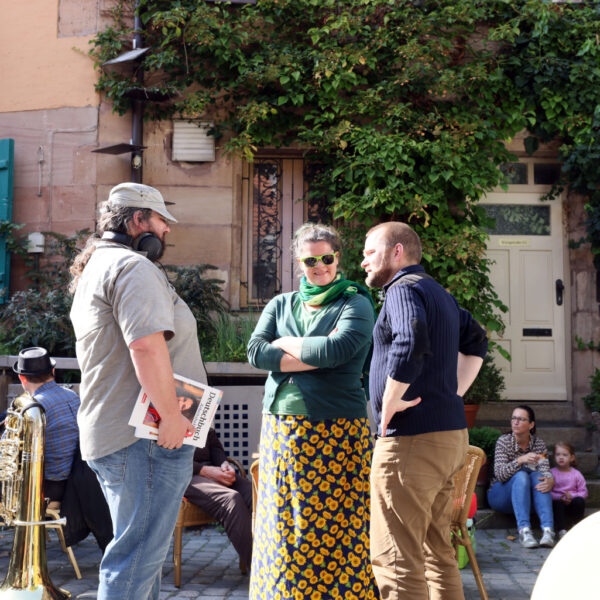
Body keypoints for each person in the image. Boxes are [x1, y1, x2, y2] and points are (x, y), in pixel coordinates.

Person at [69, 182, 205, 600]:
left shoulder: (98, 266)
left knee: (139, 561)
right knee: (135, 562)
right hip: (143, 437)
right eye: (161, 220)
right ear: (137, 220)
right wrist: (168, 416)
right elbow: (145, 346)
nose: (166, 231)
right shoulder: (133, 268)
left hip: (123, 434)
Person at [247, 223, 379, 600]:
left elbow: (338, 351)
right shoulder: (280, 303)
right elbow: (256, 352)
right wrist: (312, 353)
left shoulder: (355, 302)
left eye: (326, 258)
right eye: (310, 260)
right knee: (285, 521)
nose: (319, 266)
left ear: (338, 257)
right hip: (280, 427)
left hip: (336, 429)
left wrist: (285, 346)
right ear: (298, 262)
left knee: (338, 523)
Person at [361, 221, 488, 600]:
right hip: (448, 439)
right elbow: (477, 338)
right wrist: (454, 392)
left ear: (396, 252)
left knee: (396, 559)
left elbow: (411, 337)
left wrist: (390, 400)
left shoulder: (400, 289)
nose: (363, 261)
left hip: (411, 441)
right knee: (437, 554)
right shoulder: (439, 294)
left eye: (370, 252)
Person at [12, 346, 80, 504]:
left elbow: (8, 455)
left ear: (22, 378)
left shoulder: (31, 408)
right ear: (53, 372)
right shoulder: (73, 396)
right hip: (78, 482)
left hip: (48, 488)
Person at [487, 405, 555, 549]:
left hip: (527, 499)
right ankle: (524, 531)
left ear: (531, 425)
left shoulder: (539, 444)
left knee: (539, 476)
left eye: (521, 419)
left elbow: (545, 470)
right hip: (500, 495)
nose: (515, 422)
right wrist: (520, 460)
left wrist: (550, 480)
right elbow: (499, 475)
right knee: (521, 476)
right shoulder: (504, 442)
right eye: (514, 418)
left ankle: (548, 531)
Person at [184, 428, 252, 569]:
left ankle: (284, 559)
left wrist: (223, 464)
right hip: (185, 475)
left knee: (256, 495)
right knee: (231, 500)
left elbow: (214, 445)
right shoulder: (162, 411)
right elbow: (161, 455)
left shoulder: (198, 408)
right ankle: (261, 573)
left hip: (213, 469)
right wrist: (203, 470)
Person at [550, 441, 588, 539]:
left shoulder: (576, 474)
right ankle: (561, 530)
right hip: (559, 504)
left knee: (580, 501)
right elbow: (548, 492)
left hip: (573, 504)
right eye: (558, 454)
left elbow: (583, 492)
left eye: (565, 455)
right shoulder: (551, 473)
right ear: (554, 457)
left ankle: (576, 525)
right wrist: (560, 497)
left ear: (572, 457)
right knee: (557, 504)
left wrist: (572, 496)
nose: (561, 457)